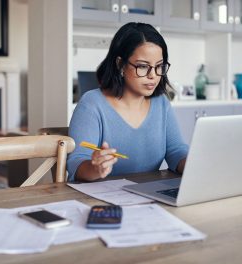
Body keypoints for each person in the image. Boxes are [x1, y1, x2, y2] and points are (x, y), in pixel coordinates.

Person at [67, 22, 188, 182]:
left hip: (147, 197)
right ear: (120, 64)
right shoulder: (92, 104)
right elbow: (76, 163)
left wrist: (196, 164)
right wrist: (95, 167)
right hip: (99, 201)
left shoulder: (161, 103)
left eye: (159, 66)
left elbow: (176, 151)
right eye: (143, 67)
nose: (153, 75)